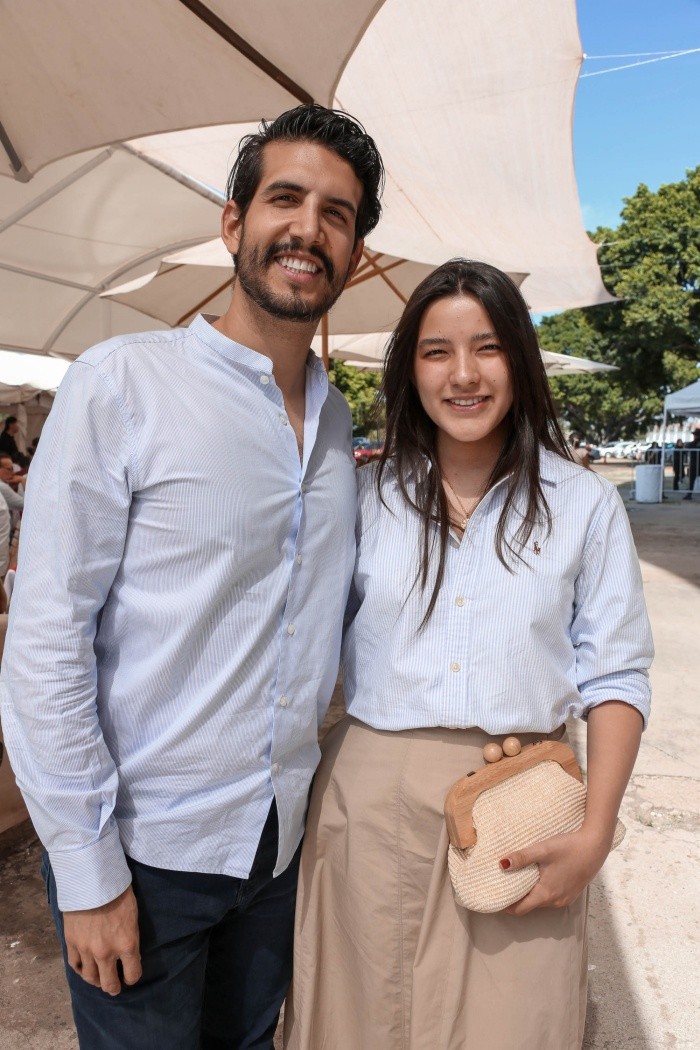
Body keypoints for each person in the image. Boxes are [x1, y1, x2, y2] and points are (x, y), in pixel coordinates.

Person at [0, 103, 384, 1050]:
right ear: (233, 222)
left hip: (276, 849)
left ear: (354, 250)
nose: (308, 228)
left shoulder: (337, 424)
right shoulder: (122, 384)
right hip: (145, 855)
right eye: (285, 199)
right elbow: (46, 640)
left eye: (336, 214)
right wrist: (86, 870)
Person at [284, 259, 653, 1050]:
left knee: (516, 1025)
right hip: (370, 804)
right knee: (365, 1024)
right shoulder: (364, 499)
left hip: (524, 807)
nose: (463, 375)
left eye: (487, 347)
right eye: (436, 351)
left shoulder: (584, 505)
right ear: (410, 370)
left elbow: (617, 676)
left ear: (519, 359)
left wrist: (595, 832)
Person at [683, 427, 700, 500]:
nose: (694, 436)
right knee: (691, 480)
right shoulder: (693, 443)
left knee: (692, 480)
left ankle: (689, 494)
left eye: (695, 435)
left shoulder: (694, 443)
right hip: (694, 464)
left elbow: (689, 446)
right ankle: (689, 494)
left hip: (695, 464)